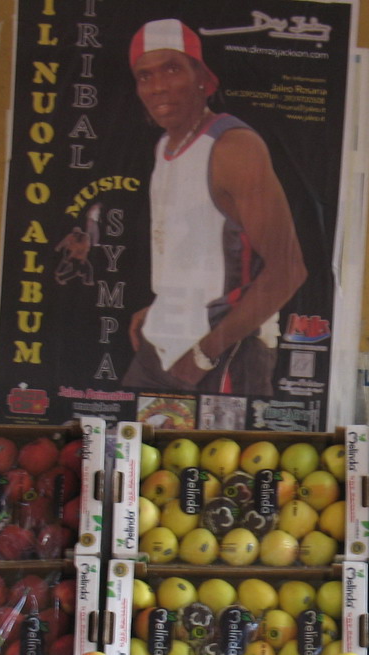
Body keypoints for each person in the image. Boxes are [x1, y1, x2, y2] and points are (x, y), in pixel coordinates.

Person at [120, 18, 307, 398]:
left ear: (204, 79)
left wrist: (204, 355)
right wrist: (165, 302)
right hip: (163, 341)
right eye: (145, 76)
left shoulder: (234, 147)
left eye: (171, 69)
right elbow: (194, 248)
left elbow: (288, 269)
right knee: (125, 452)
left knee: (215, 459)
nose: (157, 87)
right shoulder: (166, 146)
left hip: (223, 351)